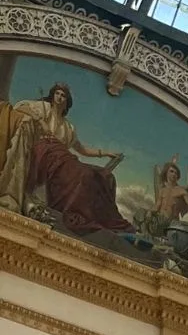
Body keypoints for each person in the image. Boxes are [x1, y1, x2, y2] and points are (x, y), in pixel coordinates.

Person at [0, 82, 130, 232]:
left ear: (67, 102)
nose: (59, 97)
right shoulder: (43, 108)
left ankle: (100, 217)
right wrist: (39, 119)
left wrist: (104, 153)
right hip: (44, 156)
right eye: (57, 94)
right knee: (83, 174)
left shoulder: (68, 128)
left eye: (63, 96)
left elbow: (82, 150)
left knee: (103, 176)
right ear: (52, 95)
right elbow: (20, 107)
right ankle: (76, 210)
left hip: (63, 159)